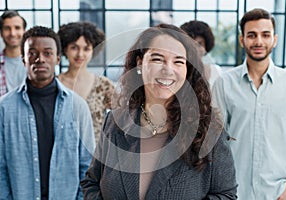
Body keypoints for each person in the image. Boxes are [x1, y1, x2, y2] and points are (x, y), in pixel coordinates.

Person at [80, 23, 237, 199]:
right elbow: (91, 182)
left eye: (178, 61)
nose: (168, 69)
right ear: (140, 64)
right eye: (157, 59)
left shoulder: (208, 130)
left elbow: (226, 195)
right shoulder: (115, 122)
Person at [212, 8, 286, 200]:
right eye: (251, 35)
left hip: (277, 193)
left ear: (274, 39)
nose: (259, 41)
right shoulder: (224, 83)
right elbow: (215, 140)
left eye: (265, 35)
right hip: (234, 191)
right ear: (242, 40)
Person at [0, 26, 95, 200]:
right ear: (23, 59)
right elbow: (0, 167)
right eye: (32, 53)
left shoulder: (78, 106)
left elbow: (87, 166)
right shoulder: (4, 108)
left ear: (58, 59)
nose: (40, 59)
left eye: (48, 53)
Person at [57, 21, 115, 144]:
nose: (80, 54)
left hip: (96, 157)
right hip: (62, 155)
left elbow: (124, 119)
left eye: (86, 48)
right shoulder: (54, 85)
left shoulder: (103, 85)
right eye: (74, 47)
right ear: (65, 49)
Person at [180, 20, 222, 88]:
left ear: (206, 46)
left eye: (200, 44)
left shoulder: (216, 71)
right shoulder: (177, 72)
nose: (195, 49)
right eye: (191, 44)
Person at [0, 10, 26, 96]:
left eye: (17, 28)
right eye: (7, 28)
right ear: (1, 33)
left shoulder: (35, 62)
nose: (12, 33)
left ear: (24, 31)